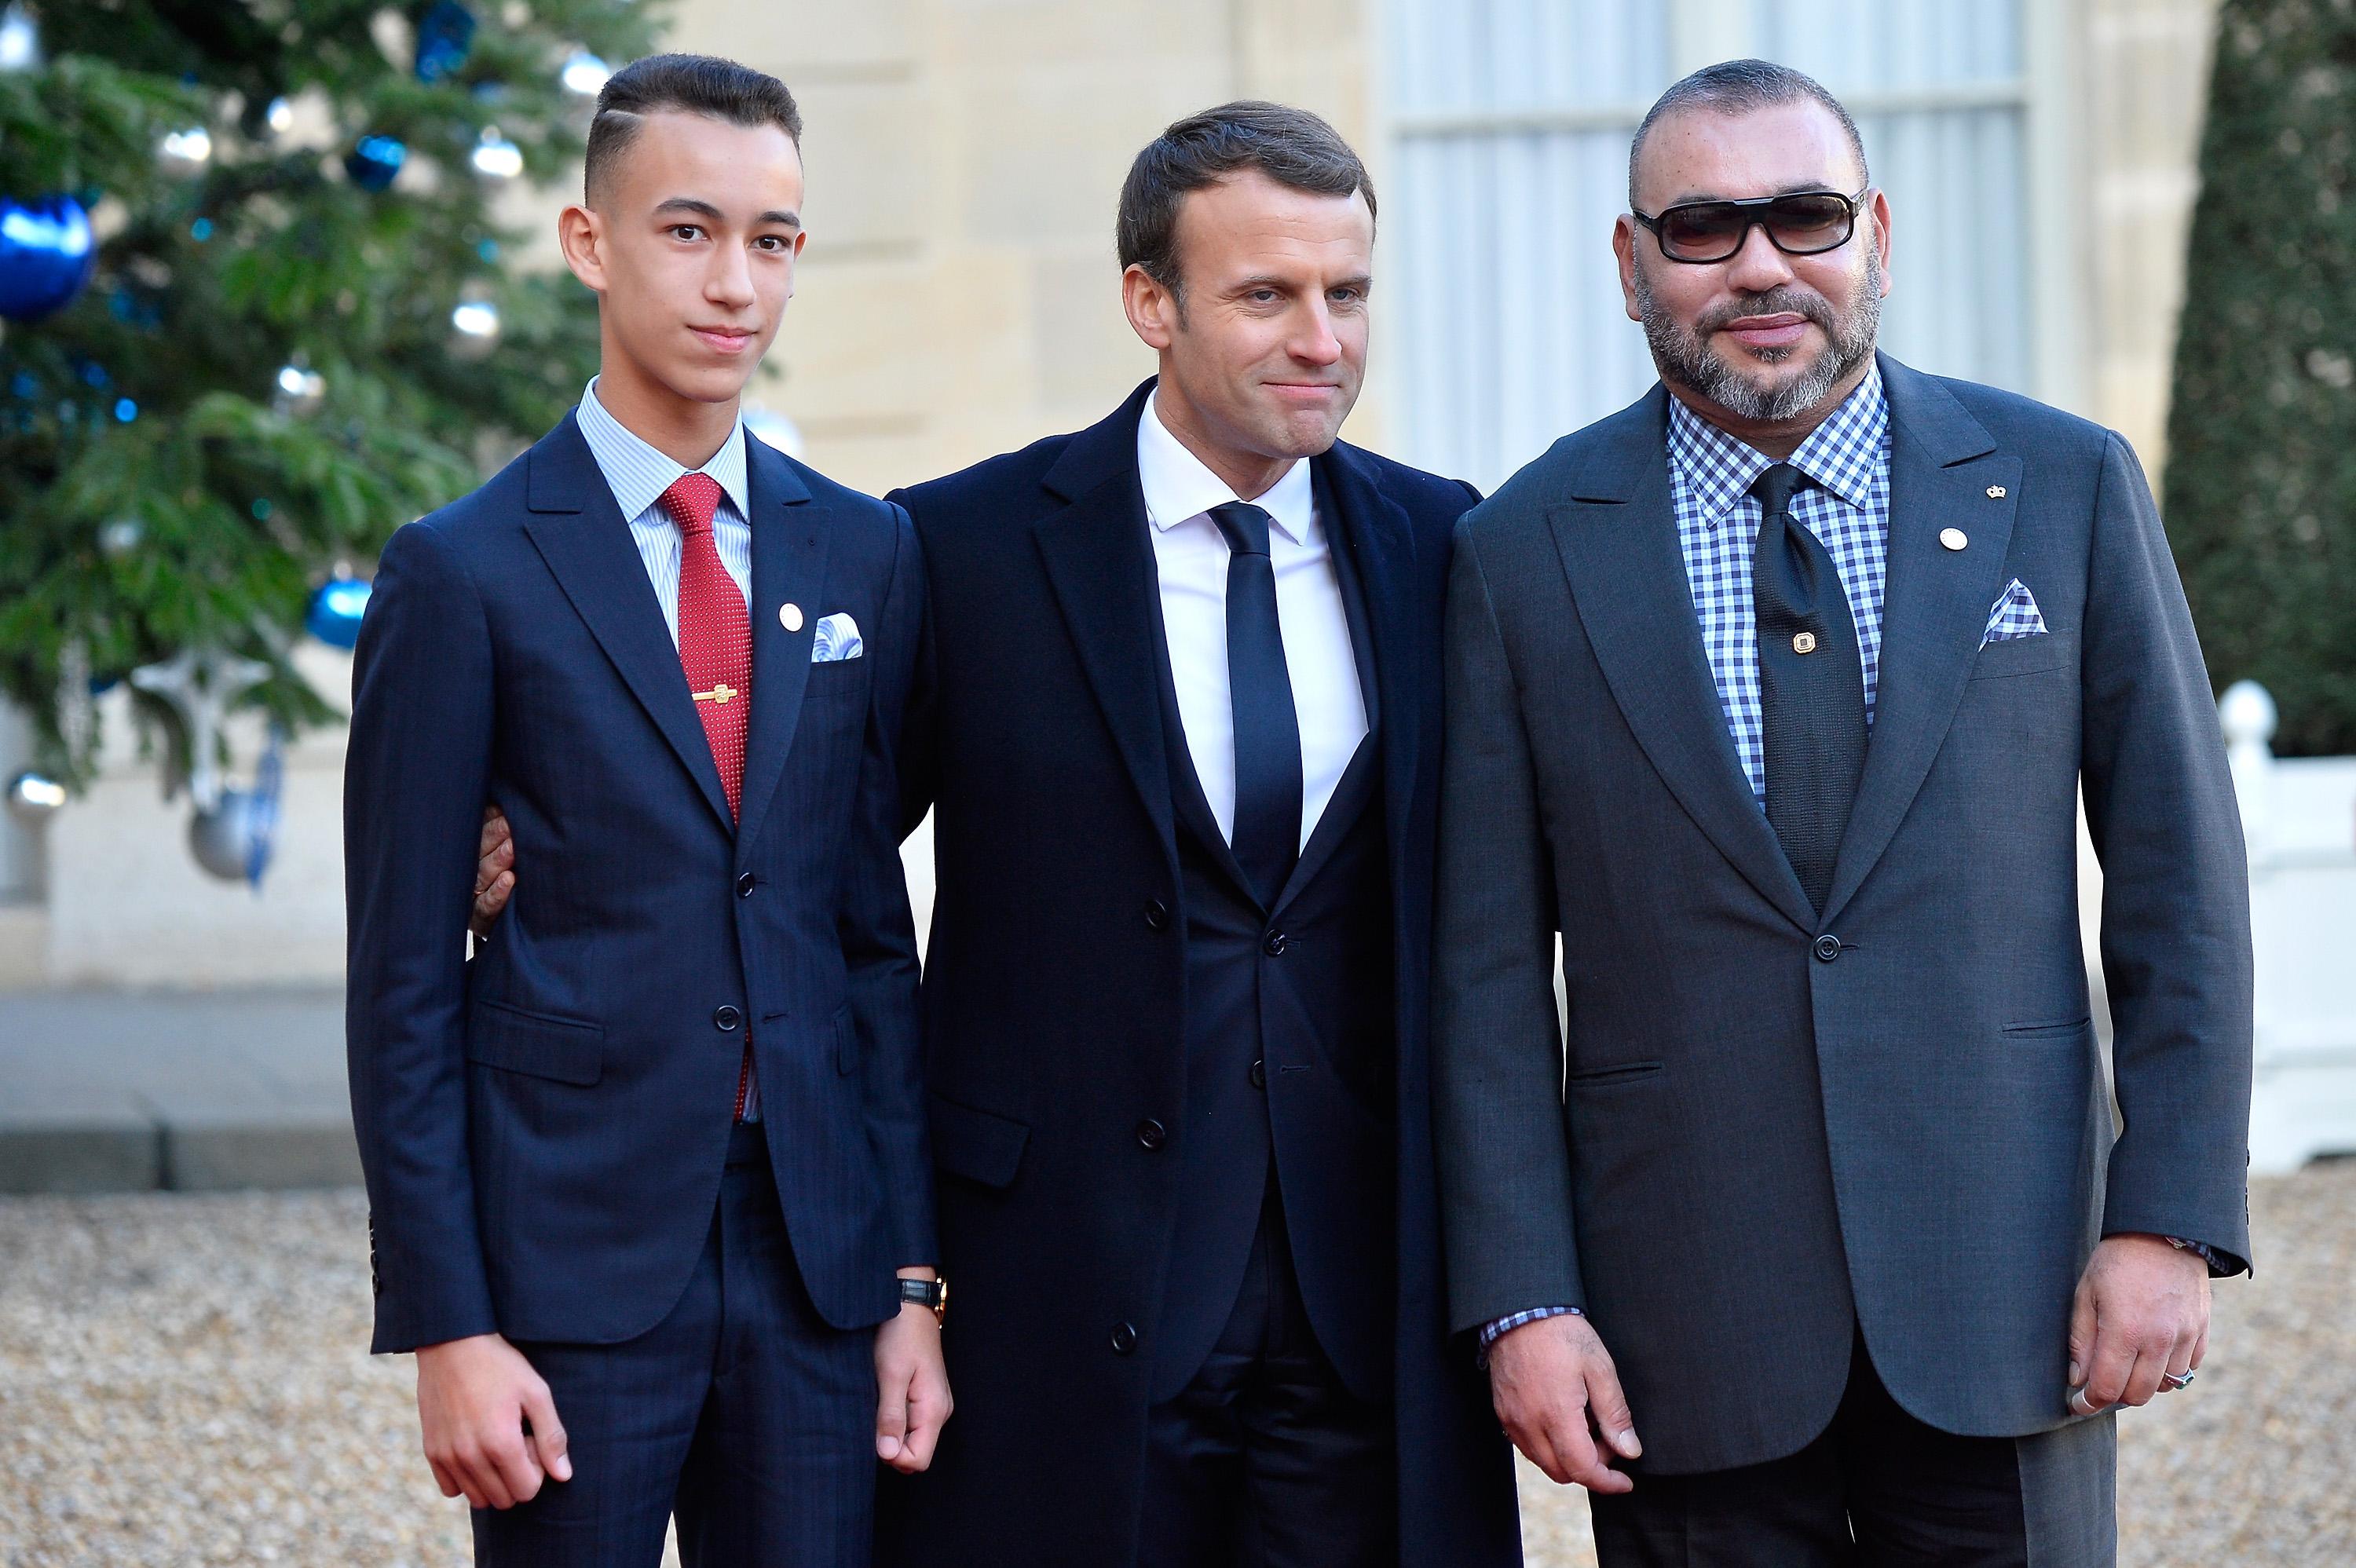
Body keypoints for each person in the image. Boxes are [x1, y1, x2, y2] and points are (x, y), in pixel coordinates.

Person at [477, 99, 1520, 1567]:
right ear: (1149, 301)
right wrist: (540, 846)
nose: (1321, 338)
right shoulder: (959, 549)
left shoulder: (1440, 542)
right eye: (1266, 295)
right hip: (1064, 1291)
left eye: (1347, 293)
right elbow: (802, 857)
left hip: (1366, 1312)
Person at [1432, 59, 2254, 1567]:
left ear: (1876, 230)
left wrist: (2168, 1220)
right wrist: (1526, 1299)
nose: (1760, 265)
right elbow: (1480, 976)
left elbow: (2180, 885)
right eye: (1703, 227)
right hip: (1685, 1322)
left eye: (1804, 216)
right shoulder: (1521, 548)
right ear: (1630, 262)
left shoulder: (2062, 486)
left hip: (2015, 1300)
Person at [346, 53, 947, 1568]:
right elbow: (401, 983)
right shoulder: (462, 569)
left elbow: (871, 943)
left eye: (772, 239)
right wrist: (449, 1326)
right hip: (568, 1262)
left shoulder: (865, 552)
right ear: (589, 242)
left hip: (819, 1266)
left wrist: (910, 1283)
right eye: (689, 230)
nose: (736, 281)